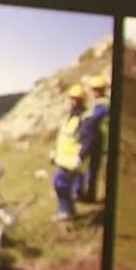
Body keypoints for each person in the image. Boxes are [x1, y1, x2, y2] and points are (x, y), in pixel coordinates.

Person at [51, 84, 89, 223]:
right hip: (64, 159)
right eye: (72, 99)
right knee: (60, 184)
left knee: (60, 184)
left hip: (72, 161)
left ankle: (66, 212)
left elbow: (87, 141)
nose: (72, 102)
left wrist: (80, 157)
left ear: (81, 101)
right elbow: (64, 139)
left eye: (76, 100)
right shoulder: (70, 117)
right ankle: (70, 211)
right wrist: (55, 154)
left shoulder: (83, 119)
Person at [77, 74, 111, 204]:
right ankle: (89, 194)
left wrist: (85, 121)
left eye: (97, 89)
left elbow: (93, 120)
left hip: (98, 139)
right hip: (97, 139)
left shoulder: (103, 104)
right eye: (94, 89)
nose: (95, 92)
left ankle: (86, 194)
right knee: (92, 169)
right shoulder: (99, 103)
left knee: (89, 168)